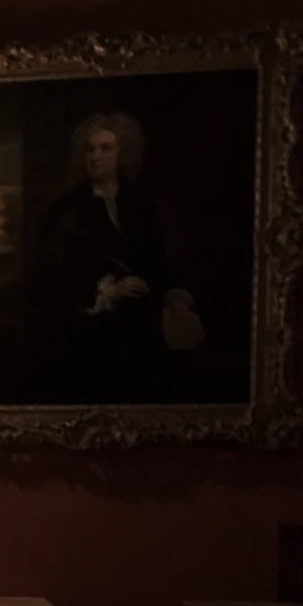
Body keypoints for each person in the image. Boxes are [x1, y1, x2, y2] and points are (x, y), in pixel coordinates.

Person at [28, 110, 201, 399]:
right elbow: (51, 279)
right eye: (90, 149)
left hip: (144, 333)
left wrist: (173, 295)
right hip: (88, 340)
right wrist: (108, 292)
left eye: (105, 148)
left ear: (123, 153)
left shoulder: (142, 206)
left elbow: (159, 263)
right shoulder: (64, 212)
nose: (96, 156)